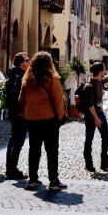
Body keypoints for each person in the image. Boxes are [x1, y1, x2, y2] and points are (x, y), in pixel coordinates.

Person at [18, 52, 67, 191]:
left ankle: (33, 179)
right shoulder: (52, 78)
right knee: (52, 150)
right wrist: (60, 117)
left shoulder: (27, 79)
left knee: (34, 149)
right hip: (49, 119)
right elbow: (58, 100)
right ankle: (53, 180)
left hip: (32, 119)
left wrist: (26, 113)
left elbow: (21, 99)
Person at [77, 63, 108, 173]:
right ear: (100, 71)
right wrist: (96, 118)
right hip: (91, 115)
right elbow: (89, 105)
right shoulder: (89, 86)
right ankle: (88, 164)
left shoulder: (99, 81)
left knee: (106, 136)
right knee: (89, 139)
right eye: (104, 69)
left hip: (100, 113)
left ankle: (104, 162)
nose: (105, 71)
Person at [4, 53, 30, 179]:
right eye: (27, 60)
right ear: (21, 63)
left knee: (13, 139)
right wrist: (21, 110)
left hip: (14, 112)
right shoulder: (20, 76)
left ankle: (10, 168)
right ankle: (12, 170)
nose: (29, 61)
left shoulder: (13, 74)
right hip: (20, 113)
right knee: (18, 141)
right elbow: (15, 94)